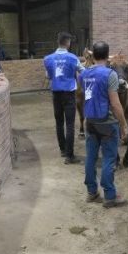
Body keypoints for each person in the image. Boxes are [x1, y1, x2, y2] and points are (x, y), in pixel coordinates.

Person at [83, 41, 128, 208]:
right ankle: (110, 195)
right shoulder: (110, 75)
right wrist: (123, 125)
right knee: (109, 158)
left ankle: (92, 192)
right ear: (107, 55)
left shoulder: (85, 74)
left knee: (91, 157)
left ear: (93, 55)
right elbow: (116, 104)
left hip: (90, 121)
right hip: (107, 123)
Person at [44, 32, 84, 164]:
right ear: (68, 43)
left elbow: (48, 76)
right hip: (69, 94)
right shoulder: (73, 58)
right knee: (70, 124)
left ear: (58, 42)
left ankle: (62, 149)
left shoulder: (48, 59)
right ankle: (70, 155)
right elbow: (83, 71)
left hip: (56, 94)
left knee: (59, 123)